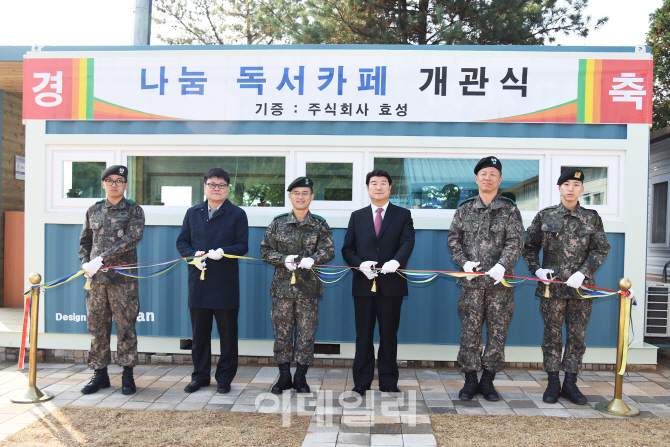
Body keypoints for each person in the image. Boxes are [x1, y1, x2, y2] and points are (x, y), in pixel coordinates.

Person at [522, 168, 611, 405]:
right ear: (559, 188)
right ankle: (553, 383)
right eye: (566, 184)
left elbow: (600, 249)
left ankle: (570, 383)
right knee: (551, 336)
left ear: (582, 189)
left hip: (581, 290)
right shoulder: (545, 215)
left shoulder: (591, 217)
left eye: (576, 185)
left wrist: (584, 273)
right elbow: (529, 247)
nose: (571, 189)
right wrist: (537, 270)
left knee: (576, 336)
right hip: (552, 289)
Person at [447, 156, 524, 402]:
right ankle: (470, 381)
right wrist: (463, 262)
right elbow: (453, 240)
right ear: (477, 178)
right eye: (483, 174)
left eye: (493, 174)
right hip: (471, 286)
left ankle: (488, 380)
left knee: (498, 332)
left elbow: (516, 241)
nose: (487, 178)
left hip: (499, 286)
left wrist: (503, 265)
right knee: (469, 333)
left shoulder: (510, 209)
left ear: (500, 179)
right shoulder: (464, 209)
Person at [342, 170, 415, 395]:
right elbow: (347, 248)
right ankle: (361, 382)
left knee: (388, 334)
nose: (379, 187)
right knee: (363, 335)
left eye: (384, 183)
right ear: (367, 188)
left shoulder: (402, 214)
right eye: (374, 183)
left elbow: (407, 242)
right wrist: (360, 265)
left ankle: (388, 382)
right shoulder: (357, 216)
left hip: (392, 283)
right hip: (364, 285)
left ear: (390, 188)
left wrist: (397, 261)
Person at [176, 168, 249, 394]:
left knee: (228, 335)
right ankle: (200, 376)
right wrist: (192, 257)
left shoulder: (237, 214)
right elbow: (182, 242)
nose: (216, 188)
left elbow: (242, 245)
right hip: (199, 282)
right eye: (212, 184)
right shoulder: (193, 212)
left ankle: (225, 378)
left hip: (225, 285)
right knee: (199, 335)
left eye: (221, 185)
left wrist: (223, 251)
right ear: (205, 187)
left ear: (228, 188)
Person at [260, 177, 335, 394]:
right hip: (282, 290)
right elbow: (265, 250)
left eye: (305, 193)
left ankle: (300, 377)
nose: (300, 197)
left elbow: (329, 250)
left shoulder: (319, 223)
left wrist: (315, 258)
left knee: (306, 334)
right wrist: (283, 259)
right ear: (290, 196)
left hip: (308, 290)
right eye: (296, 193)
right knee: (282, 334)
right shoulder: (278, 222)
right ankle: (284, 377)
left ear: (311, 197)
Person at [78, 165, 145, 395]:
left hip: (123, 281)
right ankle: (100, 374)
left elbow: (132, 239)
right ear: (103, 184)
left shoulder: (134, 210)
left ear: (125, 185)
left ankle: (127, 374)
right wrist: (86, 262)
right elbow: (85, 241)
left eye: (119, 180)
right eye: (110, 180)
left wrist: (102, 258)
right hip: (96, 282)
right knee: (97, 328)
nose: (114, 184)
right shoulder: (93, 210)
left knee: (126, 328)